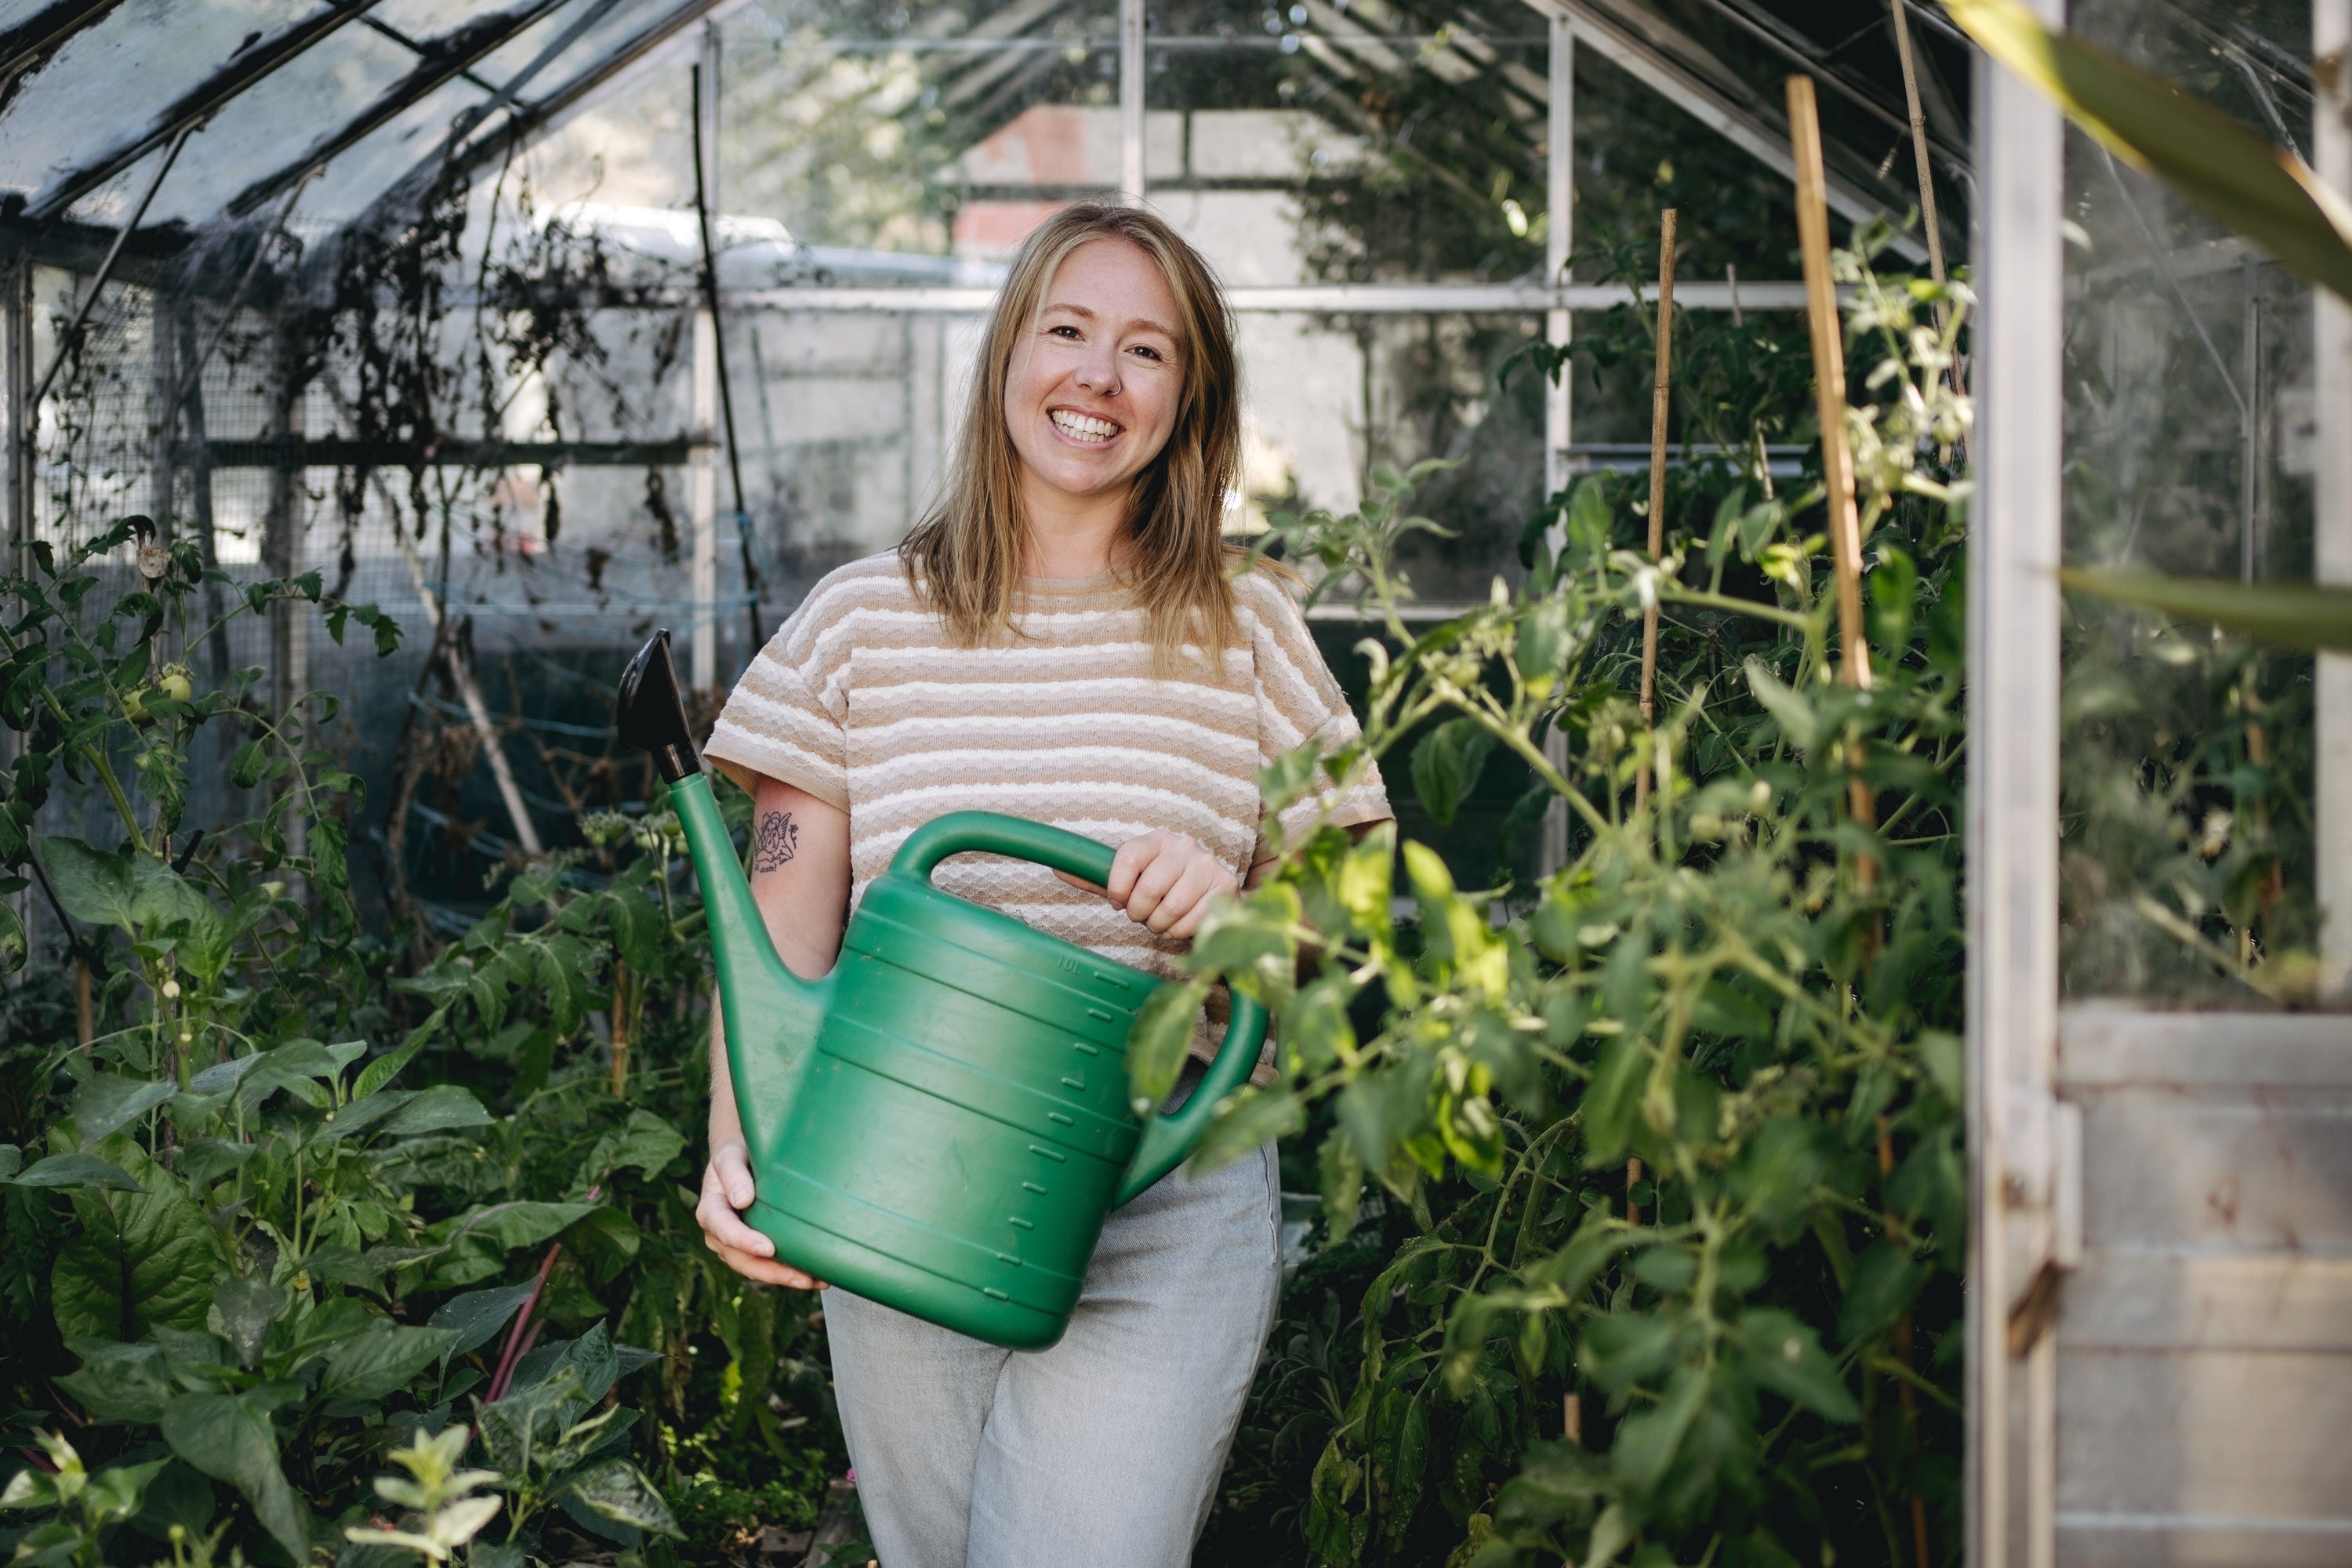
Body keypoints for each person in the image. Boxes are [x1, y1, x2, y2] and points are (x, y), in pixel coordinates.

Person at [691, 202, 1390, 1568]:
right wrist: (743, 1143)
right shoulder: (860, 621)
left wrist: (1242, 914)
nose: (1097, 379)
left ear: (1188, 402)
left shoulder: (1247, 625)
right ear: (1009, 351)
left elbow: (1349, 915)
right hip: (909, 1161)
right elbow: (779, 926)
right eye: (1068, 331)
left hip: (1167, 1176)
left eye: (1148, 352)